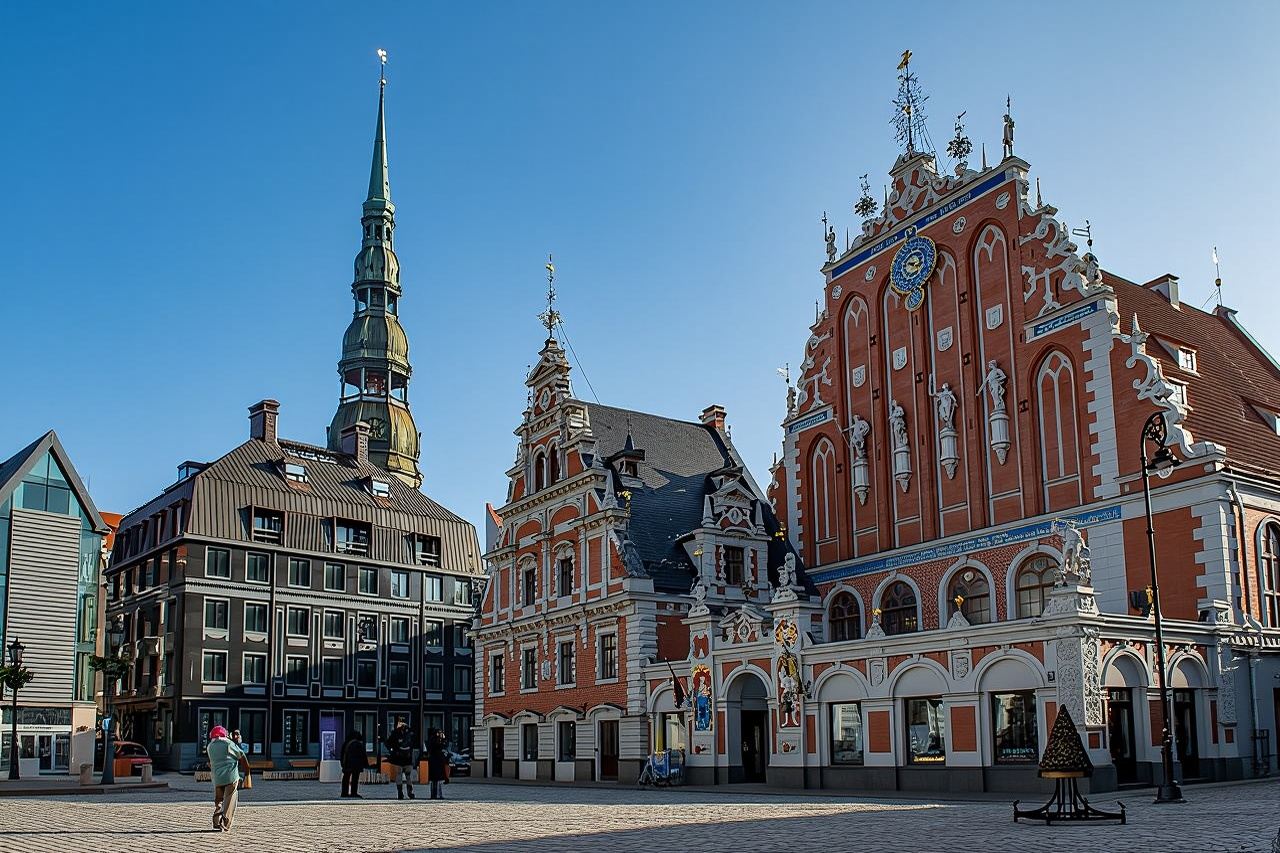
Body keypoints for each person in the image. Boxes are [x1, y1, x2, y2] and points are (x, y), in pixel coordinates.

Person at [206, 725, 249, 832]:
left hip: (217, 778)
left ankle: (216, 820)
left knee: (219, 800)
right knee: (230, 799)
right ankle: (225, 822)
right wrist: (247, 772)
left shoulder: (210, 746)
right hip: (230, 777)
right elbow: (241, 755)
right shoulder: (228, 744)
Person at [383, 720, 416, 800]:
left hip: (398, 757)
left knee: (399, 775)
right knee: (408, 776)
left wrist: (392, 750)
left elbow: (388, 743)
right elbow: (415, 743)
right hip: (408, 757)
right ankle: (410, 793)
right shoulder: (410, 732)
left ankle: (400, 793)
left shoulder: (395, 733)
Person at [341, 731, 368, 799]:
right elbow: (362, 755)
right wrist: (365, 764)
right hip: (356, 765)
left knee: (346, 778)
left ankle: (344, 792)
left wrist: (342, 763)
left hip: (347, 764)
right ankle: (353, 792)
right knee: (355, 779)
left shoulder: (346, 743)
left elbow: (342, 754)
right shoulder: (358, 744)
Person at [425, 730, 448, 800]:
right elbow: (441, 746)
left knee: (434, 780)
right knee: (438, 779)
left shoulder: (431, 741)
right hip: (437, 762)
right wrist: (443, 739)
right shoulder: (436, 741)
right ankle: (438, 795)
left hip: (433, 762)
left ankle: (433, 795)